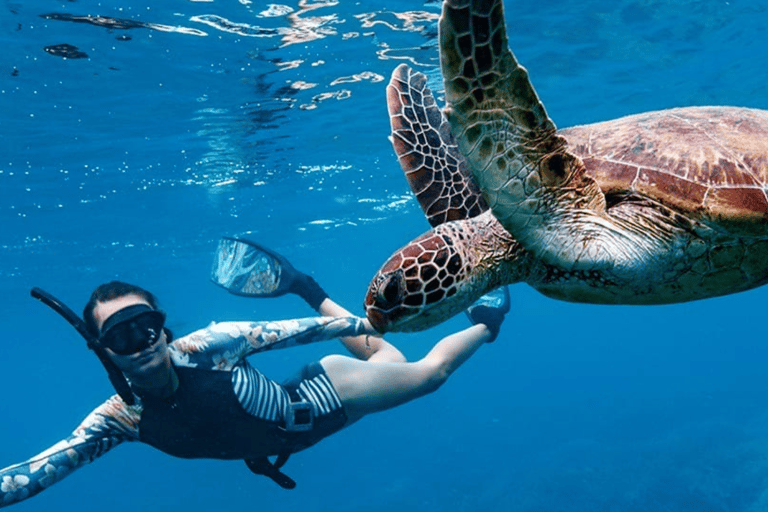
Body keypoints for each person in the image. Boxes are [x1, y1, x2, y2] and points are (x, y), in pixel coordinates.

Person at [0, 238, 509, 507]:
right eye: (120, 336)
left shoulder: (209, 346)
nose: (141, 343)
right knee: (386, 360)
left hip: (325, 395)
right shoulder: (118, 420)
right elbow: (32, 474)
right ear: (104, 351)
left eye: (147, 326)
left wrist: (383, 317)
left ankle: (487, 321)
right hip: (279, 422)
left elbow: (299, 332)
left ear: (165, 329)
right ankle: (313, 290)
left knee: (426, 373)